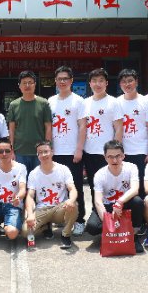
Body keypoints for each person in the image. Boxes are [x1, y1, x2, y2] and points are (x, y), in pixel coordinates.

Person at [80, 68, 123, 234]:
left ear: (106, 83)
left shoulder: (113, 102)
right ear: (90, 83)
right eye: (94, 81)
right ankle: (98, 214)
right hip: (89, 152)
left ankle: (116, 214)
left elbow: (119, 128)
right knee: (94, 186)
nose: (97, 84)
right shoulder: (85, 103)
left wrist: (116, 152)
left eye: (101, 81)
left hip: (108, 154)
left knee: (112, 184)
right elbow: (82, 127)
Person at [84, 140, 145, 253]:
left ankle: (133, 235)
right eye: (110, 157)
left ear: (123, 156)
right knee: (92, 227)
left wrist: (120, 202)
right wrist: (108, 222)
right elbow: (98, 201)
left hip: (125, 204)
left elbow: (135, 189)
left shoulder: (131, 167)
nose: (115, 160)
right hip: (107, 206)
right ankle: (112, 233)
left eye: (118, 156)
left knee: (138, 202)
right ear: (105, 157)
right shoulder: (100, 174)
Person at [48, 66, 86, 234]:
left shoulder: (78, 101)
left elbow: (83, 126)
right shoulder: (50, 101)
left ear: (71, 81)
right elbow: (48, 127)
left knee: (75, 186)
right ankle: (61, 217)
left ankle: (79, 219)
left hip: (72, 152)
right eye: (59, 79)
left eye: (65, 79)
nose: (62, 82)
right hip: (55, 152)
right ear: (55, 81)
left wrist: (79, 149)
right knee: (58, 187)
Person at [25, 140, 78, 249]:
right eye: (40, 152)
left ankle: (66, 234)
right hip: (42, 209)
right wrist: (30, 214)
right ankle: (45, 227)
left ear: (52, 152)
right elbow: (30, 196)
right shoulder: (34, 173)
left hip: (60, 208)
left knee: (73, 205)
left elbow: (72, 189)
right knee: (25, 232)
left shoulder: (63, 169)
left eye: (46, 151)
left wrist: (71, 200)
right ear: (37, 155)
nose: (43, 155)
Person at [117, 68, 148, 191]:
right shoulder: (116, 103)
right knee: (124, 187)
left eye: (130, 81)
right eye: (124, 82)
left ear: (136, 82)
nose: (127, 84)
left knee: (142, 187)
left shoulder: (146, 102)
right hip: (123, 152)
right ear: (120, 84)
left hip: (141, 151)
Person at [6, 70, 52, 172]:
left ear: (35, 84)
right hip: (19, 152)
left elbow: (48, 127)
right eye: (24, 83)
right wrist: (11, 149)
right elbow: (11, 130)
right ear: (19, 85)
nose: (27, 85)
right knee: (21, 180)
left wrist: (47, 148)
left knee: (39, 179)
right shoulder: (14, 105)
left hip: (40, 152)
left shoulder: (43, 103)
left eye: (30, 82)